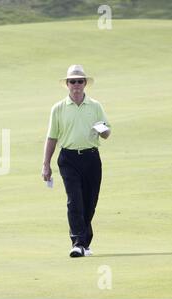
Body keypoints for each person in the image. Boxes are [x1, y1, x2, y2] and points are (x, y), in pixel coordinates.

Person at [42, 65, 111, 258]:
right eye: (72, 81)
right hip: (68, 158)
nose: (76, 85)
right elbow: (52, 137)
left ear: (85, 83)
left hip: (91, 157)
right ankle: (78, 243)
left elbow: (106, 133)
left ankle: (85, 242)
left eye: (80, 81)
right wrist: (45, 165)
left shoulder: (95, 106)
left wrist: (101, 129)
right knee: (75, 201)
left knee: (90, 202)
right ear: (67, 84)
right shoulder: (58, 108)